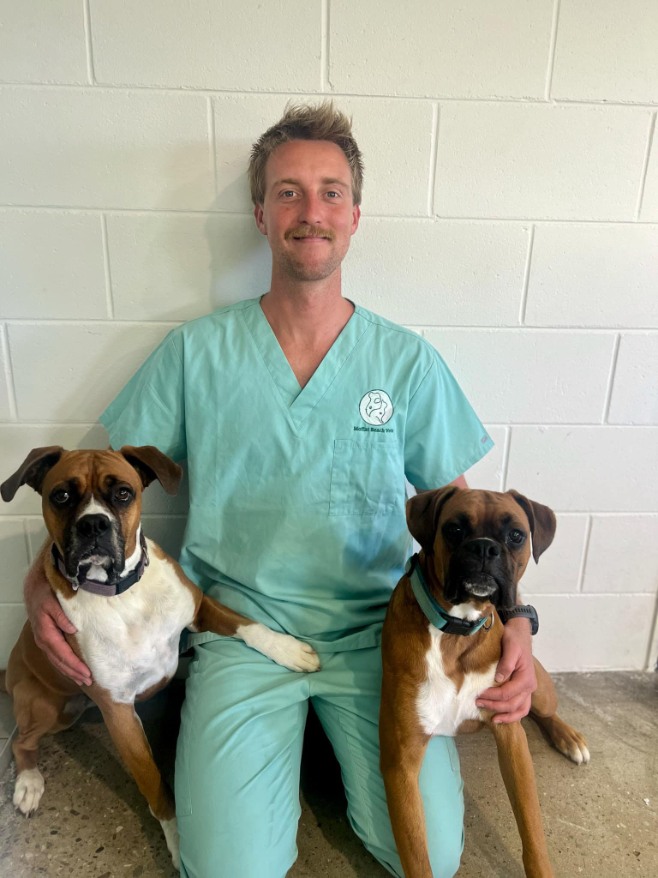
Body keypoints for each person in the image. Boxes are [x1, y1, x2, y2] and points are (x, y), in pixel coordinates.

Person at [24, 102, 537, 878]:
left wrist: (520, 622)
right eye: (288, 192)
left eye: (331, 192)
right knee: (225, 869)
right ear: (260, 214)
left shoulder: (405, 363)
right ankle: (266, 759)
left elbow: (467, 522)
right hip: (243, 636)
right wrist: (41, 584)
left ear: (356, 216)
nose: (311, 211)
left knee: (429, 856)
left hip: (382, 636)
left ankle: (323, 753)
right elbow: (93, 482)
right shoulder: (197, 353)